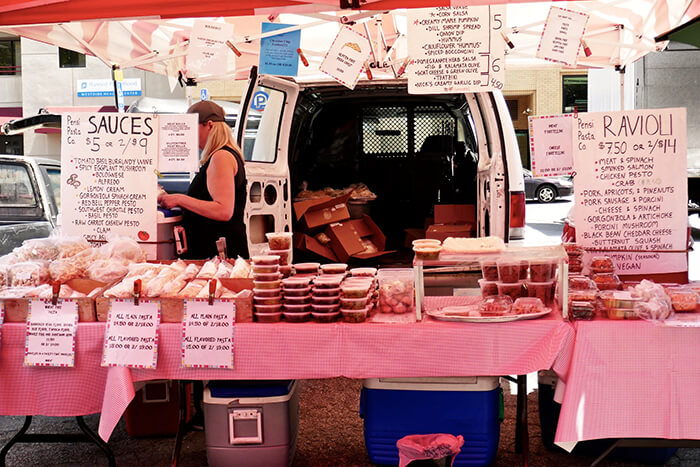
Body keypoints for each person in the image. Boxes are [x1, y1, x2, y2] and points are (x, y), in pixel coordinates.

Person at [159, 100, 248, 259]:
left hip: (219, 253)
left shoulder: (221, 157)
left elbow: (223, 211)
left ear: (209, 125)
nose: (190, 136)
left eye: (193, 129)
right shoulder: (222, 155)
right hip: (216, 251)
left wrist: (180, 199)